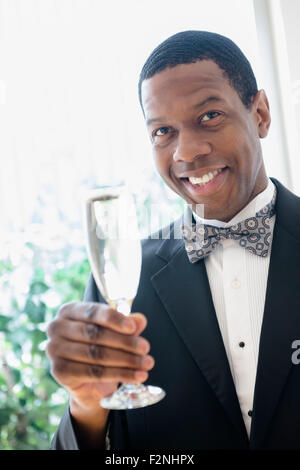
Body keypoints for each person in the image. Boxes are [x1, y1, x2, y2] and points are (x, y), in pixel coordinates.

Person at [46, 30, 300, 450]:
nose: (188, 151)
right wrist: (86, 406)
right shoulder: (125, 281)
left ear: (260, 114)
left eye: (209, 116)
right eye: (163, 130)